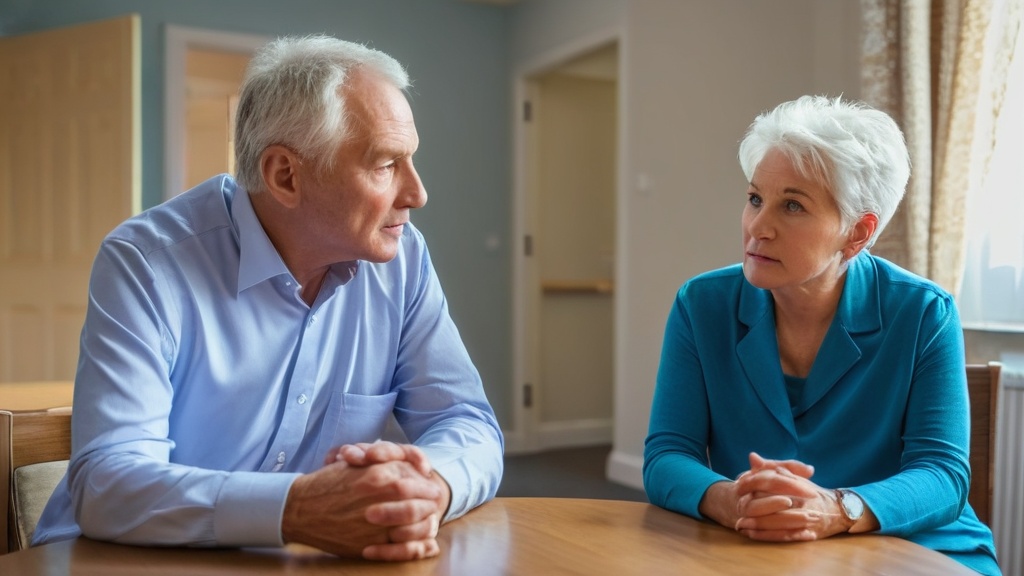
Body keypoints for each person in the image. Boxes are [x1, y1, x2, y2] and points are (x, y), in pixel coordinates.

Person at [32, 34, 503, 562]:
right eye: (385, 164)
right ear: (285, 175)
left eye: (410, 160)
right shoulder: (147, 262)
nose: (417, 193)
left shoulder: (404, 261)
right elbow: (108, 486)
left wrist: (431, 485)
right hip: (116, 561)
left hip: (291, 561)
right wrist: (295, 508)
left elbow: (465, 421)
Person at [643, 95, 999, 575]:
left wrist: (836, 508)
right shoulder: (701, 304)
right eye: (754, 199)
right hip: (757, 544)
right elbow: (667, 455)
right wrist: (731, 501)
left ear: (857, 233)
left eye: (791, 205)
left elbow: (943, 476)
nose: (757, 228)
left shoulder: (923, 312)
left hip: (912, 547)